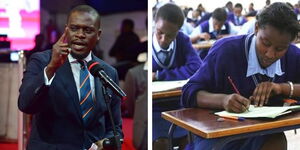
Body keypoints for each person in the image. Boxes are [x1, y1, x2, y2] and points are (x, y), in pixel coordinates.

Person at [181, 3, 300, 150]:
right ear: (256, 28)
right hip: (217, 135)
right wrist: (223, 100)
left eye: (280, 49)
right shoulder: (225, 51)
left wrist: (283, 88)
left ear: (291, 42)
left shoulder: (293, 56)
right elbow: (189, 92)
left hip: (261, 134)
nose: (270, 54)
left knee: (277, 140)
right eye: (265, 43)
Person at [18, 5, 123, 150]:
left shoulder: (108, 72)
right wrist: (51, 68)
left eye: (88, 30)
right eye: (74, 28)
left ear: (98, 34)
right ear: (66, 30)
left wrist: (106, 144)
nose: (80, 34)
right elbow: (25, 104)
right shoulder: (42, 61)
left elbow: (114, 127)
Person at [152, 3, 202, 150]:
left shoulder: (182, 40)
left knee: (188, 141)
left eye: (170, 35)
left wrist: (161, 75)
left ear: (178, 32)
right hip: (154, 108)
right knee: (161, 143)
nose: (163, 39)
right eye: (159, 32)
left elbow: (196, 67)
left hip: (178, 104)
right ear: (154, 24)